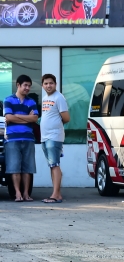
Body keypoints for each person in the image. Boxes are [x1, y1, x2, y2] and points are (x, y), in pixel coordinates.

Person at [4, 75, 39, 202]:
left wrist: (16, 116)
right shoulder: (8, 100)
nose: (27, 88)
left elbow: (35, 119)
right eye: (25, 85)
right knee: (14, 168)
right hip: (12, 139)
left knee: (27, 168)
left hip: (28, 138)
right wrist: (26, 118)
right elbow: (8, 117)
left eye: (29, 86)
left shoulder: (32, 101)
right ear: (18, 85)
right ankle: (17, 194)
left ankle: (26, 194)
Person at [39, 74, 70, 204]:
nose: (48, 85)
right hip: (45, 137)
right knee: (52, 165)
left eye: (51, 83)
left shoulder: (59, 98)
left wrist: (56, 127)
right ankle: (55, 193)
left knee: (55, 164)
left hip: (54, 136)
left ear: (55, 84)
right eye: (46, 83)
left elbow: (66, 118)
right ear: (42, 85)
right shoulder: (46, 98)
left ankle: (56, 195)